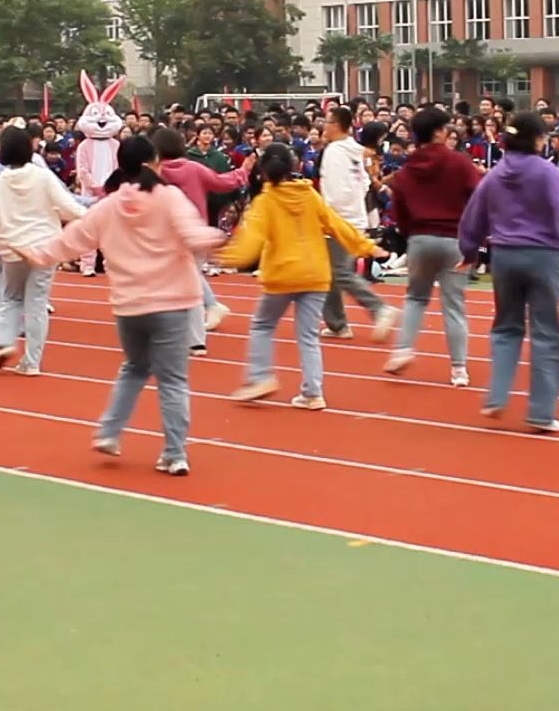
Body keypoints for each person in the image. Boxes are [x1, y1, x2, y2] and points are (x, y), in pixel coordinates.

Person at [22, 135, 227, 475]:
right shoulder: (169, 198)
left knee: (134, 367)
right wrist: (222, 239)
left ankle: (109, 431)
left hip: (130, 304)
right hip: (174, 301)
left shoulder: (109, 205)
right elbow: (193, 237)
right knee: (173, 380)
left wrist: (38, 255)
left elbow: (74, 239)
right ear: (153, 163)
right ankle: (175, 453)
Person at [458, 113, 559, 434]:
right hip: (542, 256)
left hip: (504, 257)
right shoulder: (549, 173)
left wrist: (468, 251)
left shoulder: (494, 176)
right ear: (538, 140)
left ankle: (496, 394)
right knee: (546, 333)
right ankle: (541, 412)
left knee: (506, 328)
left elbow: (473, 217)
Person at [227, 143, 385, 410]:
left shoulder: (265, 201)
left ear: (263, 173)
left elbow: (250, 243)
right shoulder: (309, 195)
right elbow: (337, 226)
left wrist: (226, 257)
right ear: (294, 167)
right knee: (308, 336)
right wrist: (367, 247)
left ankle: (259, 376)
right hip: (315, 274)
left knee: (263, 325)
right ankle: (313, 392)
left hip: (282, 275)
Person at [0, 125, 85, 374]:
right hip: (45, 248)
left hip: (13, 249)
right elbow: (71, 207)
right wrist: (97, 217)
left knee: (10, 298)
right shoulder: (43, 177)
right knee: (36, 303)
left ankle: (4, 342)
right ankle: (32, 362)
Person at [383, 107, 482, 385]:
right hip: (455, 239)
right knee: (454, 305)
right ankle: (459, 369)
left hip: (420, 238)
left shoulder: (406, 170)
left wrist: (410, 234)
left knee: (415, 298)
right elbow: (477, 201)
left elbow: (397, 209)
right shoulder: (460, 163)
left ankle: (403, 349)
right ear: (439, 132)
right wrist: (476, 240)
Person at [154, 127, 254, 356]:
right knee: (192, 284)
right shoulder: (193, 168)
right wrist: (243, 171)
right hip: (196, 233)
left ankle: (169, 335)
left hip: (165, 236)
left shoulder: (155, 172)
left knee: (165, 288)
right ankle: (197, 340)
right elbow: (222, 182)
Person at [316, 106, 400, 342]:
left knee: (339, 272)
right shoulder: (357, 150)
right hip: (355, 217)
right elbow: (364, 182)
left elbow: (335, 191)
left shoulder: (334, 151)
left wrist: (329, 215)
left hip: (339, 219)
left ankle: (378, 308)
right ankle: (337, 323)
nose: (324, 126)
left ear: (336, 125)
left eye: (327, 122)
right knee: (331, 272)